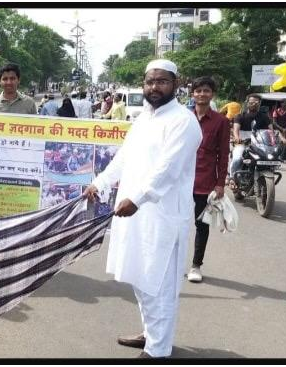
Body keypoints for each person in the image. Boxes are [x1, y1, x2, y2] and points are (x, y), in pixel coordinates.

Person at [83, 59, 202, 358]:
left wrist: (139, 198)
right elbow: (124, 158)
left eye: (162, 81)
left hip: (161, 215)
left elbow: (168, 169)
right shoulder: (144, 118)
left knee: (159, 284)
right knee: (140, 276)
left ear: (176, 84)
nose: (154, 87)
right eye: (150, 81)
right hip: (134, 212)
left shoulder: (183, 121)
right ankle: (151, 334)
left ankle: (158, 352)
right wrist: (100, 182)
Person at [186, 76, 230, 283]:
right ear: (192, 94)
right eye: (198, 90)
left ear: (212, 94)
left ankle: (196, 265)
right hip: (180, 182)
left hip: (204, 184)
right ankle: (171, 263)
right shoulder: (184, 118)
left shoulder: (221, 122)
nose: (202, 94)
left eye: (206, 90)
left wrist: (220, 183)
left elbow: (223, 154)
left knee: (201, 226)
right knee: (174, 224)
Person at [229, 94, 273, 180]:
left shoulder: (265, 117)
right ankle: (232, 179)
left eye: (256, 102)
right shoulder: (240, 116)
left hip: (259, 144)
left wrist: (277, 139)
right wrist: (237, 138)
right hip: (242, 143)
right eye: (251, 102)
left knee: (269, 158)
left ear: (259, 104)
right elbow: (236, 129)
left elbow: (271, 131)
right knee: (237, 159)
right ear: (247, 103)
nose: (253, 104)